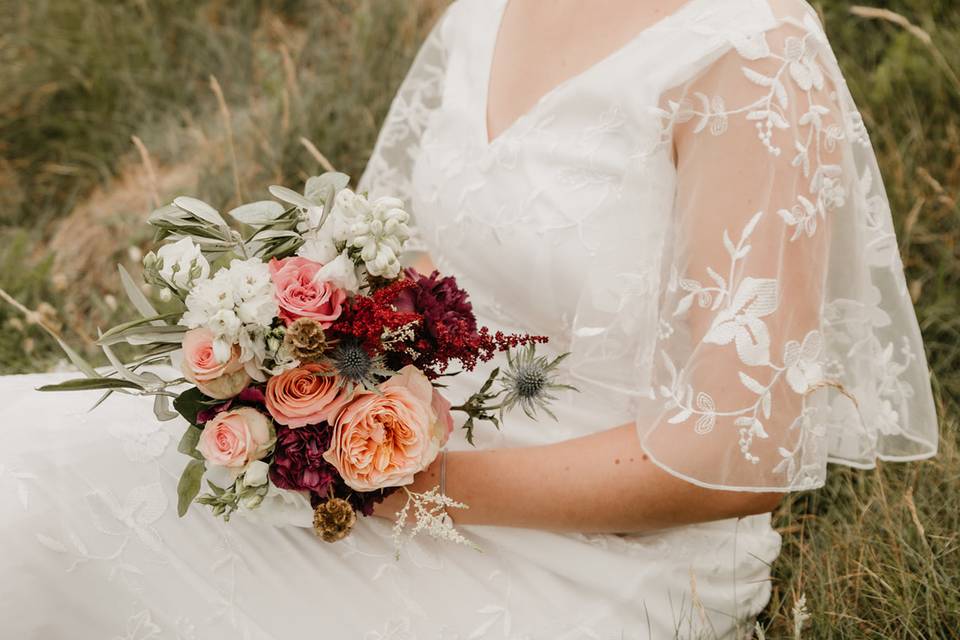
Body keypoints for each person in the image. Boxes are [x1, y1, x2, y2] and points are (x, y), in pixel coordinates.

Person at [0, 0, 938, 637]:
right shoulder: (485, 11)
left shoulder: (749, 50)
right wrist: (298, 371)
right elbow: (399, 250)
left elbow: (742, 455)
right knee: (26, 454)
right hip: (387, 457)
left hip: (594, 560)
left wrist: (419, 487)